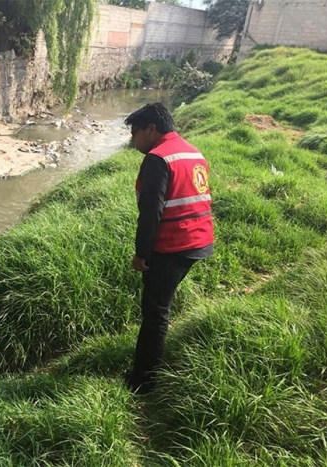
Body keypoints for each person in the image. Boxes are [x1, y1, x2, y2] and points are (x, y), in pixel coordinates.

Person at [122, 103, 214, 394]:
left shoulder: (157, 158)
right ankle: (149, 368)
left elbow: (151, 213)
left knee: (155, 314)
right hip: (198, 241)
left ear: (151, 129)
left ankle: (143, 380)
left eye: (134, 133)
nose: (133, 140)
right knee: (161, 306)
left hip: (173, 244)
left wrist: (141, 254)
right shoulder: (191, 151)